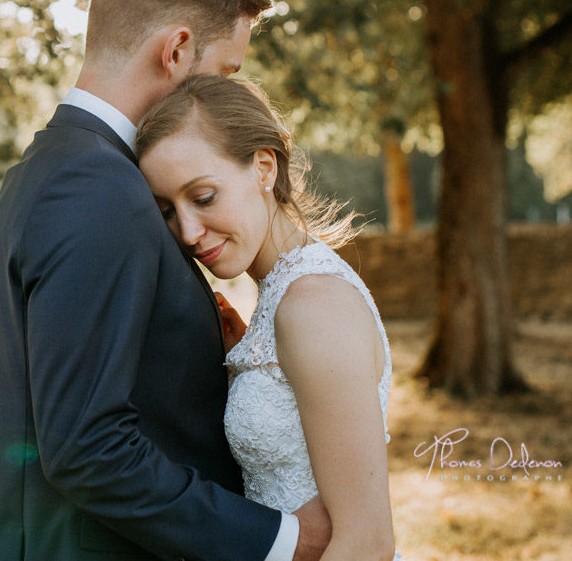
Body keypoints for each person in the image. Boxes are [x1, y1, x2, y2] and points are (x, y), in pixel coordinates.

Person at [0, 0, 332, 560]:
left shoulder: (48, 170)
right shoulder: (96, 188)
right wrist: (281, 541)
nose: (225, 96)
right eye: (224, 74)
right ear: (178, 50)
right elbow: (87, 448)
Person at [135, 75, 401, 561]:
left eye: (203, 197)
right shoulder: (279, 298)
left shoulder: (312, 304)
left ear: (263, 167)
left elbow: (367, 543)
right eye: (168, 211)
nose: (188, 232)